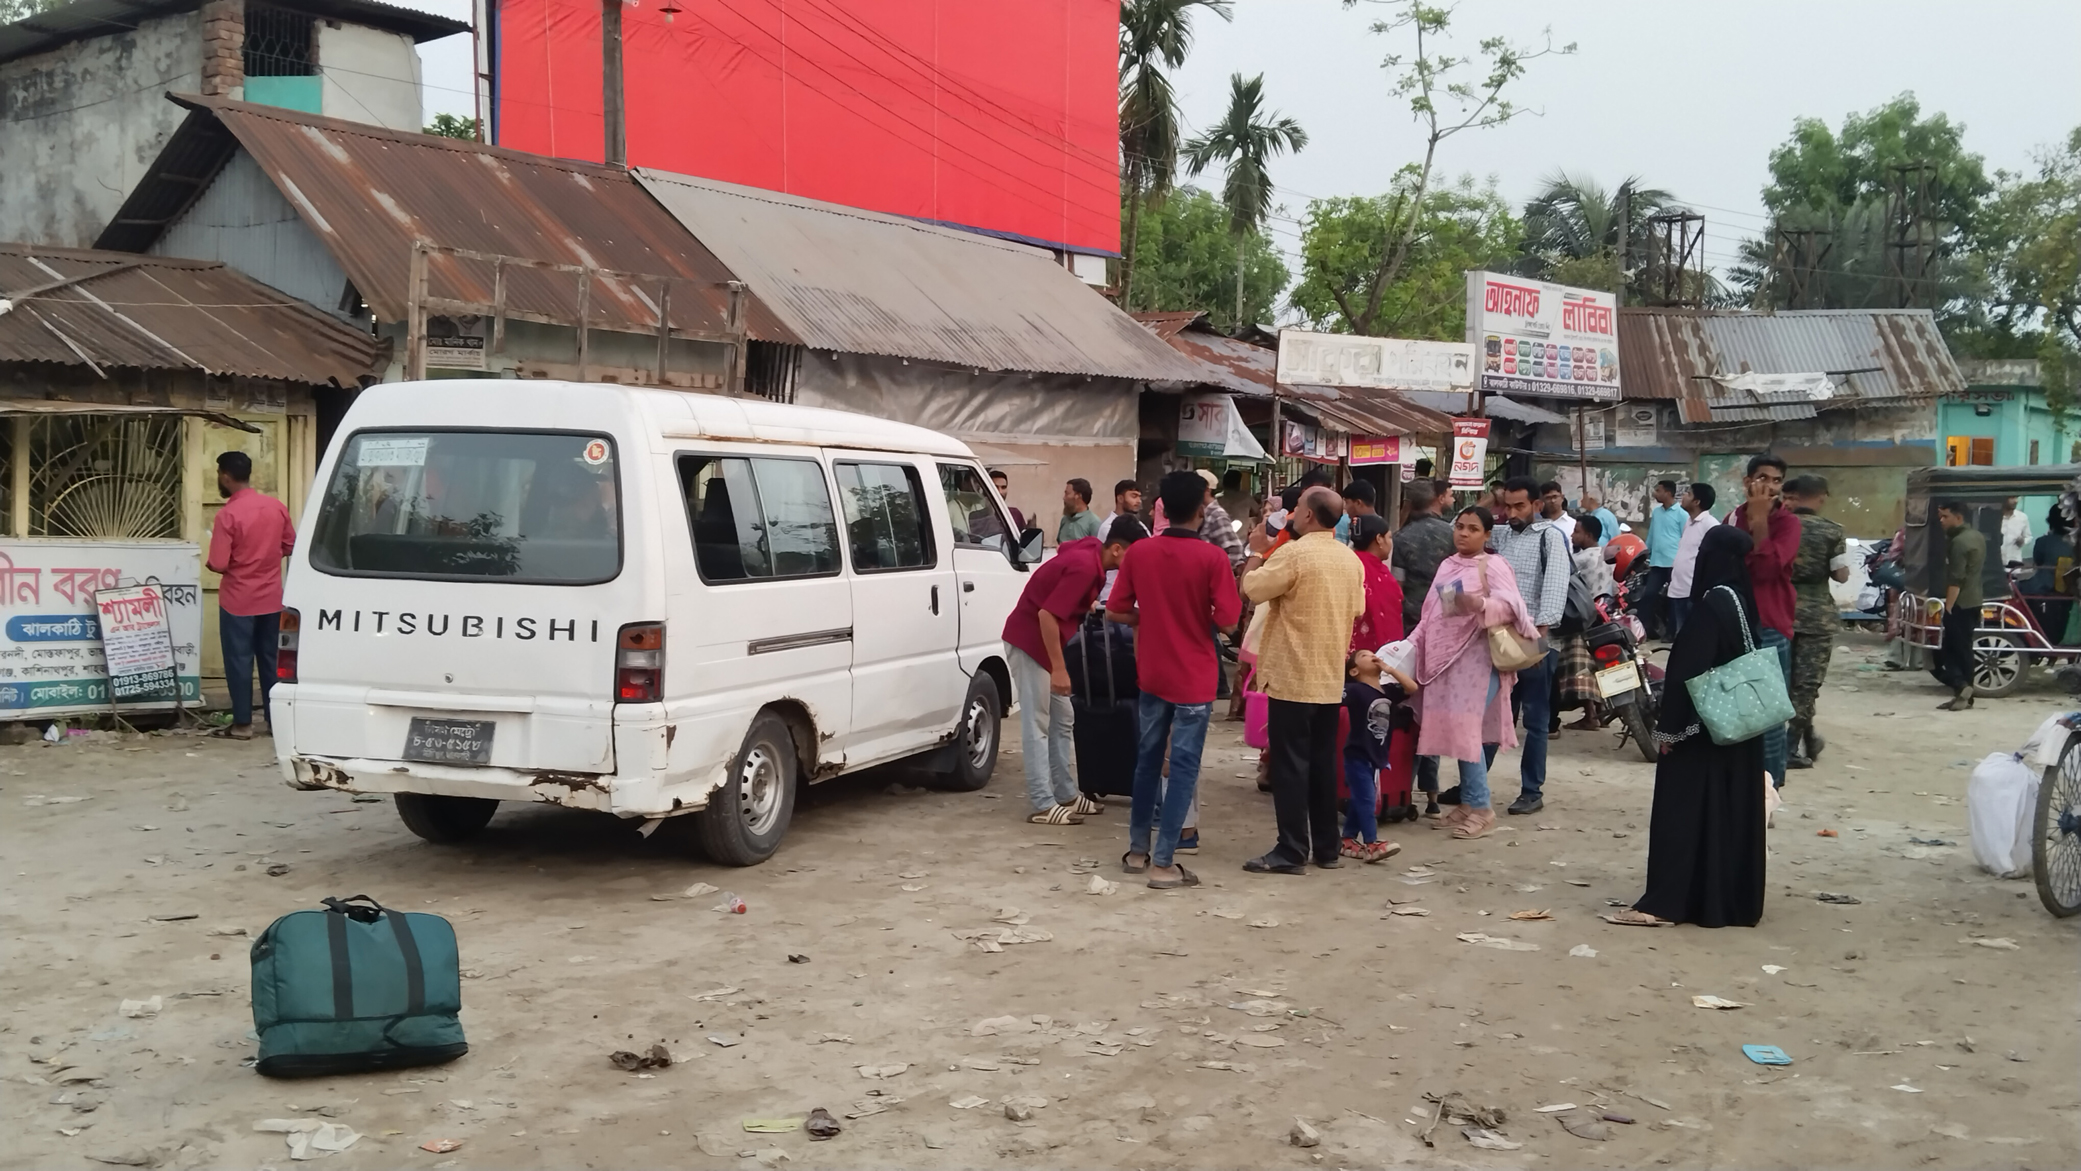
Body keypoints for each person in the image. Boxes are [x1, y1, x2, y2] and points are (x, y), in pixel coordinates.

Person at [1609, 525, 1768, 928]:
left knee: (1683, 810)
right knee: (1723, 813)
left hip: (1701, 729)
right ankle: (1722, 899)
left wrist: (1670, 732)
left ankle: (1668, 902)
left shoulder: (1713, 603)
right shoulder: (1741, 598)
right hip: (1733, 728)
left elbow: (1687, 670)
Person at [1109, 472, 1241, 889]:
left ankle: (1136, 850)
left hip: (1153, 671)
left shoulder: (1140, 553)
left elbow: (1115, 609)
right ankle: (1164, 863)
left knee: (1147, 760)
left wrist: (1149, 616)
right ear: (1201, 510)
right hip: (1195, 677)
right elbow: (1229, 619)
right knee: (1182, 767)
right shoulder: (1212, 558)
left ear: (1161, 507)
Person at [1240, 486, 1367, 874]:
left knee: (1290, 765)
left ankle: (1292, 848)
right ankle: (1326, 847)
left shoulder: (1293, 552)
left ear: (1309, 516)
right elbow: (1358, 608)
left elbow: (1253, 589)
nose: (1291, 514)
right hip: (1329, 676)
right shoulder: (1350, 559)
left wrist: (1258, 551)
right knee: (1322, 763)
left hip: (1293, 676)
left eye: (1295, 508)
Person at [1409, 506, 1539, 839]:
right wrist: (1409, 645)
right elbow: (1431, 613)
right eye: (1460, 527)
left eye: (1472, 529)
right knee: (1467, 734)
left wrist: (1480, 605)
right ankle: (1468, 803)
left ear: (1486, 535)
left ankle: (1482, 808)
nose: (1464, 534)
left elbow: (1514, 608)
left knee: (1467, 733)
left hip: (1479, 662)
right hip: (1445, 664)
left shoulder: (1493, 565)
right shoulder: (1447, 565)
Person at [1003, 520, 1145, 824]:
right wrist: (1058, 668)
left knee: (1064, 717)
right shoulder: (1085, 567)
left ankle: (1066, 793)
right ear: (1117, 549)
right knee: (1037, 723)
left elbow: (1061, 579)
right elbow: (1046, 615)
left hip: (1040, 644)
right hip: (1031, 644)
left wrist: (1086, 602)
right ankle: (1043, 802)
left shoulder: (1094, 553)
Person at [1487, 476, 1570, 815]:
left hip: (1534, 640)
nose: (1512, 512)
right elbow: (1460, 525)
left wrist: (1538, 643)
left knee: (1535, 720)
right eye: (1507, 506)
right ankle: (1473, 784)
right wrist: (1489, 502)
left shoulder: (1550, 537)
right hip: (1498, 639)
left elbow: (1553, 590)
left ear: (1537, 505)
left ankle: (1531, 791)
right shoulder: (1502, 533)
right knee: (1493, 713)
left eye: (1519, 506)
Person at [206, 451, 296, 740]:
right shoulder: (276, 507)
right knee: (272, 660)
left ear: (225, 476)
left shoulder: (227, 515)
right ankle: (275, 722)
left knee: (239, 661)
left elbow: (219, 563)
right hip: (271, 597)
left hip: (238, 600)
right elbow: (289, 544)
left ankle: (243, 724)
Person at [1727, 455, 1800, 787]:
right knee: (1736, 705)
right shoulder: (1730, 520)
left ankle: (1770, 785)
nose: (1770, 486)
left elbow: (1768, 569)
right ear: (1747, 483)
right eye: (1763, 478)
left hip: (1769, 623)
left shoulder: (1788, 524)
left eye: (1777, 480)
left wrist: (1759, 522)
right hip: (1733, 620)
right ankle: (1740, 780)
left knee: (1768, 711)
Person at [1784, 476, 1849, 768]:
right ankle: (1787, 748)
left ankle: (1809, 737)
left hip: (1781, 612)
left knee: (1784, 681)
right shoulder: (1832, 531)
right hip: (1817, 616)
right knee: (1807, 685)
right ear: (1820, 497)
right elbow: (1841, 575)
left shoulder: (1778, 527)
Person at [1343, 647, 1417, 861]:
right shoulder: (1355, 690)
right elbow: (1332, 698)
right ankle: (1371, 843)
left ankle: (1347, 838)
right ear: (1355, 671)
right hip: (1357, 754)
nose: (1372, 656)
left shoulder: (1388, 691)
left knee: (1361, 799)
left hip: (1376, 756)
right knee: (1366, 799)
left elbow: (1412, 688)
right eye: (1364, 656)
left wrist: (1390, 670)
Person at [1556, 513, 1615, 730]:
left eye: (1577, 531)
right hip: (1604, 613)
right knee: (1598, 665)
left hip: (1582, 616)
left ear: (1588, 535)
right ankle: (1600, 712)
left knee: (1580, 666)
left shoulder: (1579, 560)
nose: (1572, 535)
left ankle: (1590, 714)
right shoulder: (1607, 555)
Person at [1933, 500, 1986, 711]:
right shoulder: (1977, 537)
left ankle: (1961, 685)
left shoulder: (1959, 542)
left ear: (1958, 517)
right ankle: (1964, 696)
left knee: (1946, 652)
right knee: (1964, 650)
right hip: (1974, 600)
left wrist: (1948, 608)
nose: (1942, 521)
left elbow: (1956, 579)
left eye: (1945, 517)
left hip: (1960, 603)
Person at [1393, 480, 1452, 633]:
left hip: (1413, 614)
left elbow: (1398, 582)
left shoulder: (1401, 536)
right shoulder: (1451, 533)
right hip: (1444, 608)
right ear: (1434, 499)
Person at [1665, 482, 1719, 634]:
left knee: (1693, 637)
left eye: (1688, 494)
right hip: (1679, 588)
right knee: (1681, 635)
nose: (1683, 496)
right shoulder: (1688, 522)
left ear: (1697, 502)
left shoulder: (1710, 525)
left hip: (1693, 592)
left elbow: (1713, 559)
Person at [2020, 506, 2074, 642]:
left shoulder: (2043, 542)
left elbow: (2038, 563)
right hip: (2071, 590)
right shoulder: (2076, 543)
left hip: (2044, 587)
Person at [1351, 514, 1404, 651]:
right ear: (1379, 539)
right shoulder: (1380, 574)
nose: (1390, 542)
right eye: (1389, 537)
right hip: (1374, 650)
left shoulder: (1349, 563)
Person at [1643, 480, 1685, 638]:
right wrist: (1647, 551)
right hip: (1657, 562)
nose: (1655, 493)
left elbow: (1685, 537)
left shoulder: (1681, 513)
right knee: (1649, 595)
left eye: (1658, 490)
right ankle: (1646, 630)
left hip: (1674, 562)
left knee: (1674, 599)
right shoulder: (1657, 512)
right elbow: (1652, 534)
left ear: (1668, 493)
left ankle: (1671, 633)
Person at [1194, 470, 1247, 570]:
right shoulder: (1202, 512)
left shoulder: (1216, 515)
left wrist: (1215, 571)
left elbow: (1235, 550)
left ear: (1207, 490)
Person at [1334, 479, 1377, 545]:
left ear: (1358, 503)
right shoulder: (1383, 527)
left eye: (1347, 503)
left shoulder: (1344, 522)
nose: (1345, 507)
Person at [1057, 478, 1100, 544]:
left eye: (1067, 494)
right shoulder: (1065, 519)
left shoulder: (1093, 522)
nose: (1064, 498)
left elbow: (1098, 549)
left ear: (1078, 496)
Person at [989, 468, 1028, 535]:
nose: (1000, 492)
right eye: (995, 487)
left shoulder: (1015, 514)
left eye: (1003, 487)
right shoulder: (978, 516)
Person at [1999, 496, 2031, 572]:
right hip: (1996, 563)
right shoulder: (1994, 517)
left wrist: (2023, 541)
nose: (2016, 501)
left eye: (2017, 498)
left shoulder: (2022, 517)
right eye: (2012, 498)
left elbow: (2028, 537)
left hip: (2014, 564)